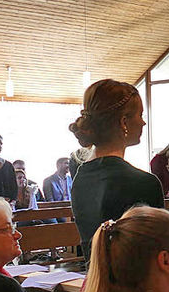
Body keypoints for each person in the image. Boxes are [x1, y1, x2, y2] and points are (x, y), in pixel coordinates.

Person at [69, 79, 163, 259]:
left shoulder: (81, 176)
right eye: (140, 115)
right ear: (124, 122)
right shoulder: (143, 183)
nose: (143, 123)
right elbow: (157, 253)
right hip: (133, 284)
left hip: (94, 283)